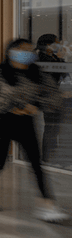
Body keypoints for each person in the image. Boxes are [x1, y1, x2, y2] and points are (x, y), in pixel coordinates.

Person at [0, 38, 68, 221]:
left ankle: (47, 205)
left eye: (30, 49)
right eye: (22, 49)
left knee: (36, 164)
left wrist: (37, 106)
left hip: (26, 123)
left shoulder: (37, 74)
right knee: (0, 160)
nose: (28, 52)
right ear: (11, 52)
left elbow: (54, 96)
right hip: (4, 121)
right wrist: (9, 107)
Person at [36, 34, 67, 162]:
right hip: (47, 97)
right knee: (51, 127)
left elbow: (64, 73)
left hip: (56, 96)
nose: (58, 45)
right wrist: (60, 59)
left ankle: (52, 153)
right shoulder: (41, 58)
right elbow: (52, 75)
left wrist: (60, 59)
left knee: (55, 127)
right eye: (56, 43)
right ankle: (47, 156)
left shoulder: (52, 57)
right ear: (47, 45)